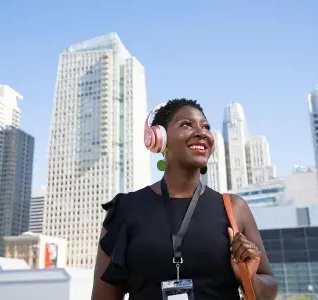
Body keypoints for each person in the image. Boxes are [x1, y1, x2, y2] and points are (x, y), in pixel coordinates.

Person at [91, 99, 278, 300]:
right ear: (159, 138)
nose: (202, 132)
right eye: (186, 124)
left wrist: (248, 276)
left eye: (205, 126)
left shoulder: (234, 207)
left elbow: (269, 289)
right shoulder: (124, 210)